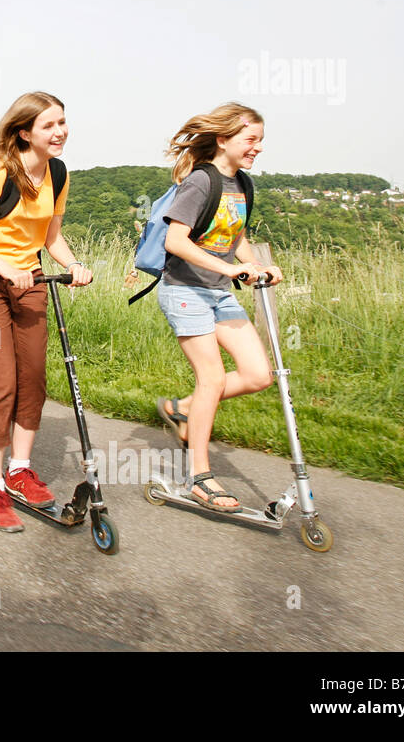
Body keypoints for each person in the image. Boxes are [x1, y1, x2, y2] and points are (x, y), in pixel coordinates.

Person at [0, 91, 93, 533]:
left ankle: (20, 469)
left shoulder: (57, 172)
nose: (60, 131)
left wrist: (71, 265)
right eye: (50, 125)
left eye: (63, 122)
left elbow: (51, 236)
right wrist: (6, 268)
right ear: (24, 132)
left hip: (30, 281)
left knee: (33, 374)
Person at [155, 102, 282, 512]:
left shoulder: (242, 184)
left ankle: (182, 409)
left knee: (260, 374)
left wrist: (257, 267)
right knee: (210, 378)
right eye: (251, 140)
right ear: (224, 139)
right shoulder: (200, 182)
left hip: (219, 291)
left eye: (260, 141)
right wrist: (231, 270)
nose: (257, 147)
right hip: (185, 289)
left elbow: (234, 235)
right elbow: (176, 242)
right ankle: (200, 478)